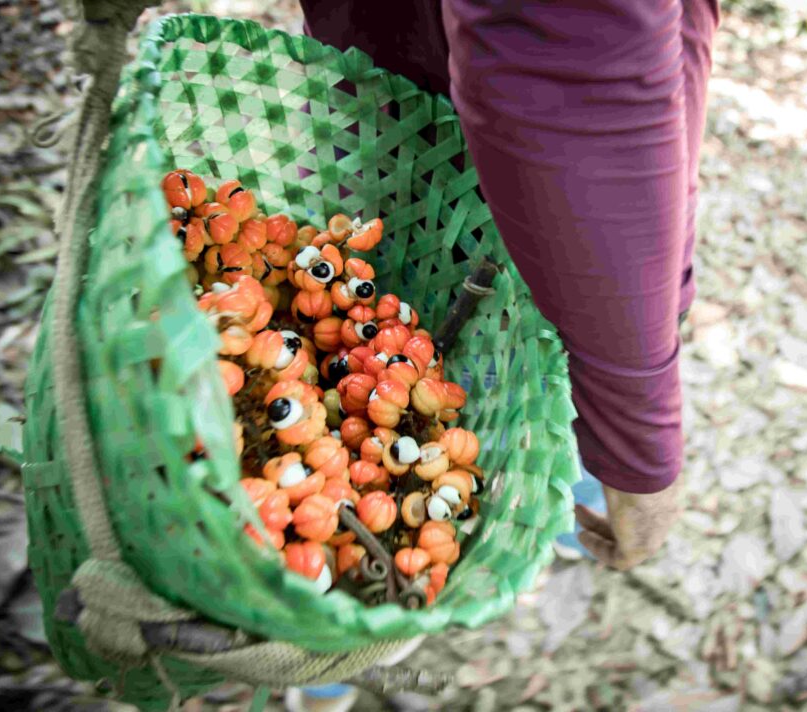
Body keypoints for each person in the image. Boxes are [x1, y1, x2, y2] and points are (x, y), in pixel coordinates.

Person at [298, 0, 720, 567]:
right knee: (477, 404)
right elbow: (570, 75)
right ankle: (530, 506)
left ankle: (550, 498)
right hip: (497, 225)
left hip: (385, 145)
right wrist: (637, 447)